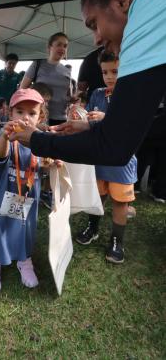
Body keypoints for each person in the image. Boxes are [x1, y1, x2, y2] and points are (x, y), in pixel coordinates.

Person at [10, 0, 166, 173]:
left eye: (94, 23)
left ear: (121, 0)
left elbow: (114, 147)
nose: (96, 39)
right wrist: (97, 126)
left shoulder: (150, 5)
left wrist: (36, 140)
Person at [76, 51, 137, 264]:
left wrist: (106, 119)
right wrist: (82, 118)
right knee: (98, 196)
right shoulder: (97, 94)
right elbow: (91, 124)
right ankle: (92, 228)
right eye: (104, 72)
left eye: (115, 71)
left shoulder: (131, 94)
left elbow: (132, 128)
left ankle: (116, 241)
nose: (109, 76)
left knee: (120, 202)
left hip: (122, 160)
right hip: (99, 157)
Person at [0, 89, 45, 293]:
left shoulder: (42, 141)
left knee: (26, 230)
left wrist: (56, 162)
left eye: (32, 113)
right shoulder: (8, 139)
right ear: (10, 114)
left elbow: (48, 162)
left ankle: (24, 261)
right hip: (6, 197)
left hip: (29, 199)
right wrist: (4, 136)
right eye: (20, 111)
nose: (25, 117)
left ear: (40, 117)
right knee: (1, 228)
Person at [20, 33, 72, 125]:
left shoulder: (67, 71)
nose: (62, 48)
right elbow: (22, 91)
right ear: (49, 47)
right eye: (59, 44)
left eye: (65, 46)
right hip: (40, 118)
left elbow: (68, 95)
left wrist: (73, 99)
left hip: (62, 118)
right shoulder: (37, 65)